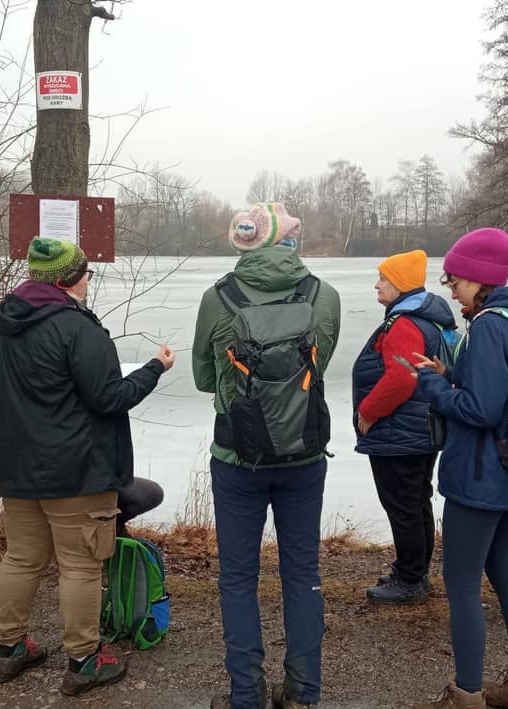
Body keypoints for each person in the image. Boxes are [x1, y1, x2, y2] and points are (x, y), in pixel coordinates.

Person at [0, 237, 173, 692]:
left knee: (21, 558)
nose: (89, 280)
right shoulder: (77, 328)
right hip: (76, 470)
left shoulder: (0, 326)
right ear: (67, 280)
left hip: (15, 468)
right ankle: (83, 661)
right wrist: (155, 368)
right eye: (86, 273)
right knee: (80, 565)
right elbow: (109, 398)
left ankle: (10, 650)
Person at [193, 203, 341, 709]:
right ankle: (303, 694)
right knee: (303, 575)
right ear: (290, 242)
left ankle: (246, 696)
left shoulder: (218, 299)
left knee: (237, 578)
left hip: (237, 459)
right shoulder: (326, 296)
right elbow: (317, 372)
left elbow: (203, 379)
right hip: (304, 456)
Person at [411, 228, 508, 709]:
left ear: (479, 278)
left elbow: (482, 410)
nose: (449, 288)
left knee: (463, 584)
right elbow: (501, 392)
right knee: (506, 572)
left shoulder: (491, 324)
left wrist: (432, 388)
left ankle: (466, 694)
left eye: (454, 279)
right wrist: (451, 374)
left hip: (480, 475)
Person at [351, 249, 455, 605]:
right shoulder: (425, 318)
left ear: (400, 285)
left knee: (402, 505)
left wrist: (367, 411)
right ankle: (413, 570)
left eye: (383, 279)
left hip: (400, 432)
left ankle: (411, 579)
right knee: (415, 500)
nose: (376, 285)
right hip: (419, 429)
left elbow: (401, 378)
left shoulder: (405, 324)